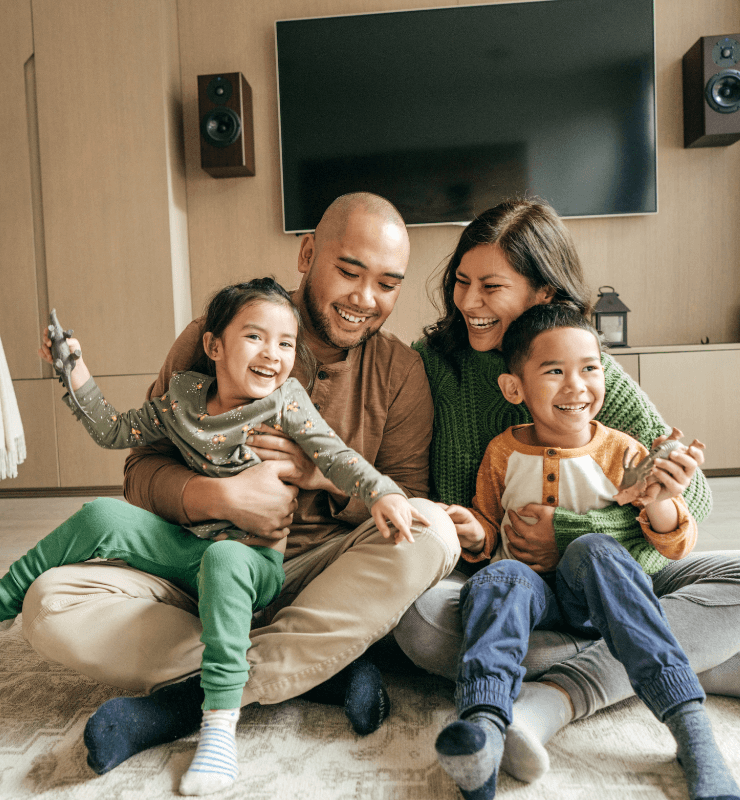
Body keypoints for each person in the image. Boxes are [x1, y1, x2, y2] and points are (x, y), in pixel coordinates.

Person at [21, 193, 460, 776]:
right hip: (197, 569)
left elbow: (402, 498)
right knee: (50, 604)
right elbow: (138, 470)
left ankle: (183, 701)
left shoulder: (401, 372)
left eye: (387, 283)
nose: (365, 299)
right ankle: (312, 670)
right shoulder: (216, 334)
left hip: (319, 577)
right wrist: (222, 497)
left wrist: (316, 478)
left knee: (432, 532)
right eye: (349, 272)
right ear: (307, 254)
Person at [393, 197, 740, 784]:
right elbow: (460, 514)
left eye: (491, 287)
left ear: (543, 294)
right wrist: (478, 533)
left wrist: (571, 532)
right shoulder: (434, 365)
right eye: (461, 282)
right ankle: (662, 656)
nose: (469, 303)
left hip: (609, 575)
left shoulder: (583, 366)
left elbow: (693, 502)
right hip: (504, 585)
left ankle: (548, 699)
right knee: (418, 620)